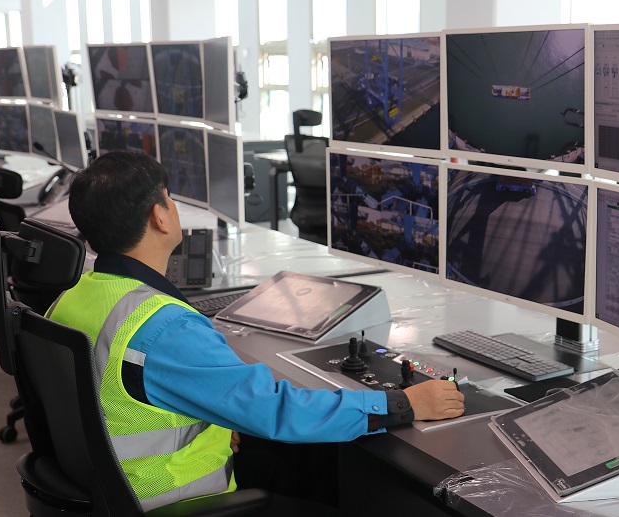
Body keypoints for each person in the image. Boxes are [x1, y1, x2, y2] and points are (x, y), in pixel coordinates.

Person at [47, 151, 465, 514]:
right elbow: (275, 410)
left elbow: (120, 398)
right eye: (169, 199)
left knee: (281, 467)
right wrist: (401, 404)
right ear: (160, 216)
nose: (173, 207)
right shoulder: (164, 326)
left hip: (106, 481)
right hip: (166, 499)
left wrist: (214, 418)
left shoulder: (70, 298)